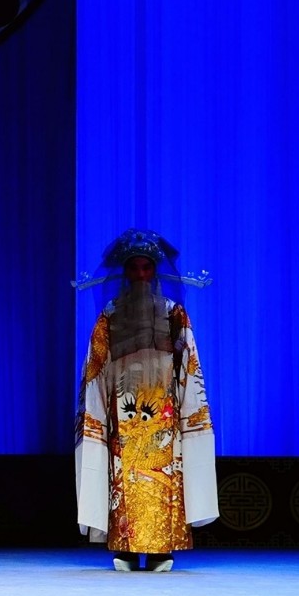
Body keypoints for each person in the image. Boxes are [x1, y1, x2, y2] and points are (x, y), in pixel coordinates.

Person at [74, 228, 217, 572]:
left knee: (165, 475)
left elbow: (188, 363)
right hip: (122, 412)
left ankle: (160, 549)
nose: (140, 274)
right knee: (123, 477)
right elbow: (96, 366)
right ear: (125, 272)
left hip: (163, 412)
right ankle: (124, 546)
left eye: (146, 267)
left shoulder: (174, 313)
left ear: (155, 271)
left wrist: (188, 408)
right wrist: (97, 414)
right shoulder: (110, 314)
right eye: (134, 267)